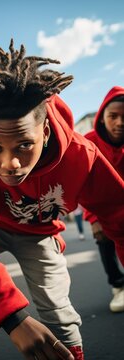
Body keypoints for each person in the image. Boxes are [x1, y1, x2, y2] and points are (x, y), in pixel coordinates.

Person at [0, 40, 124, 360]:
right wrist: (13, 319)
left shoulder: (81, 155)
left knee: (58, 311)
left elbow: (119, 216)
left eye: (23, 146)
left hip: (40, 233)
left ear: (44, 132)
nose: (10, 165)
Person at [84, 86, 124, 313]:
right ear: (102, 117)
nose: (120, 123)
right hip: (102, 209)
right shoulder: (88, 143)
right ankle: (118, 285)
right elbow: (80, 183)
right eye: (113, 116)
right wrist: (92, 219)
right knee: (104, 240)